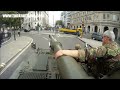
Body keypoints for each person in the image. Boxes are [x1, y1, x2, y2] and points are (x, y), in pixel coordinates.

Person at [55, 30, 120, 78]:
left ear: (108, 38)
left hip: (104, 74)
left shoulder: (107, 48)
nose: (102, 39)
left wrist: (62, 52)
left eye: (103, 37)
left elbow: (88, 53)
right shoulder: (116, 46)